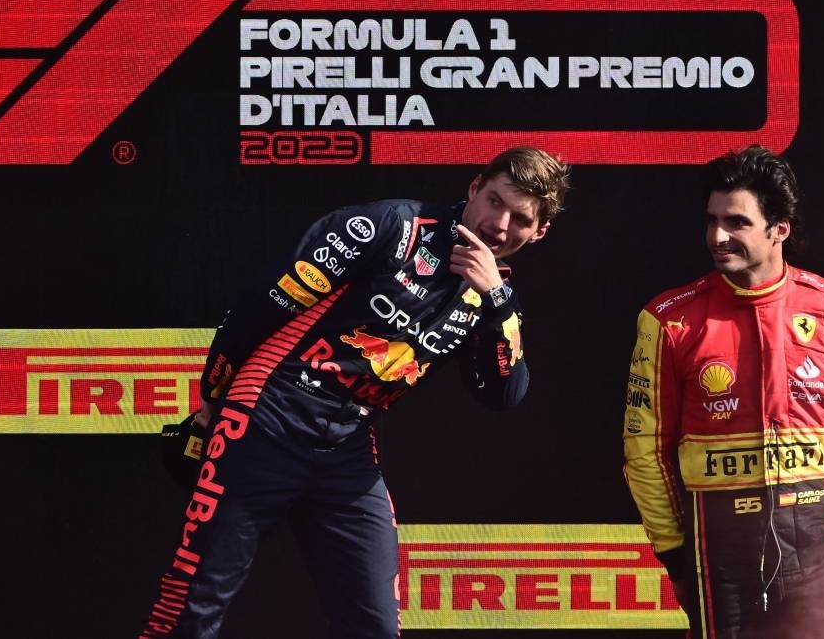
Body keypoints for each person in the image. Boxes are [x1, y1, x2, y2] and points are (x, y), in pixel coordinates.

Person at [140, 147, 571, 638]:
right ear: (474, 188)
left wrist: (497, 301)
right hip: (264, 419)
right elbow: (261, 307)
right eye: (495, 201)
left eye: (520, 218)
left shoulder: (493, 297)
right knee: (192, 608)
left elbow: (502, 395)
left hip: (345, 449)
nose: (499, 223)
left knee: (375, 627)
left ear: (539, 232)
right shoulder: (390, 228)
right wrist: (213, 399)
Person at [622, 145, 824, 638]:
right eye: (711, 221)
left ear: (780, 228)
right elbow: (643, 452)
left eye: (736, 223)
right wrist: (677, 558)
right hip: (719, 555)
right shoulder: (669, 319)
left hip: (818, 542)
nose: (717, 236)